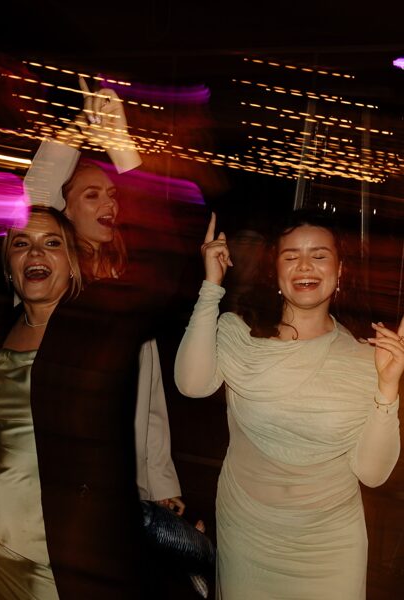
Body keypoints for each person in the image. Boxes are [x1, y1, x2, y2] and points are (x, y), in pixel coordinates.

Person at [174, 210, 402, 599]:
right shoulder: (239, 335)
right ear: (275, 270)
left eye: (319, 255)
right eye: (291, 255)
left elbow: (372, 473)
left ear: (340, 269)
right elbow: (191, 384)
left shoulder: (366, 359)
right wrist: (211, 286)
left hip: (330, 545)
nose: (305, 266)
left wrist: (388, 385)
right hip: (246, 533)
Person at [24, 79, 184, 513]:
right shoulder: (50, 284)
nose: (109, 205)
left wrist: (160, 481)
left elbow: (149, 398)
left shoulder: (126, 285)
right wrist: (83, 129)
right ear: (65, 209)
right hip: (52, 475)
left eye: (112, 195)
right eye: (91, 195)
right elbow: (35, 196)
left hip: (117, 479)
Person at [0, 206, 81, 600]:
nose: (34, 253)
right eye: (21, 244)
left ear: (73, 263)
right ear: (8, 267)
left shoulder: (93, 336)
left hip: (62, 549)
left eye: (51, 243)